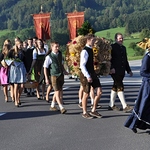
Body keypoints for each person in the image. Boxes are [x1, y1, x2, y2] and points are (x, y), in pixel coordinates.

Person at [124, 50, 150, 133]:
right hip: (147, 85)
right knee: (143, 105)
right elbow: (143, 72)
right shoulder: (147, 57)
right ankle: (133, 124)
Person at [108, 33, 133, 113]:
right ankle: (124, 105)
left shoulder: (124, 48)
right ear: (116, 39)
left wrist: (129, 70)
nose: (121, 40)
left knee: (115, 86)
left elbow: (125, 60)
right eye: (119, 38)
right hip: (114, 71)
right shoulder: (112, 47)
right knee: (120, 86)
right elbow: (109, 59)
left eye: (122, 38)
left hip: (121, 70)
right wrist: (111, 68)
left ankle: (111, 105)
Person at [80, 34, 102, 119]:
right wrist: (87, 76)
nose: (94, 42)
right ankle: (84, 112)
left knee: (99, 91)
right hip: (86, 74)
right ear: (88, 40)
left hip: (92, 73)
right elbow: (82, 65)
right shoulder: (85, 51)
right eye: (93, 40)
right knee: (86, 94)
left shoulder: (90, 49)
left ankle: (93, 110)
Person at [43, 41, 68, 114]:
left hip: (60, 75)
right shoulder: (49, 57)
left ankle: (52, 105)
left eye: (58, 46)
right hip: (54, 75)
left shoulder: (60, 55)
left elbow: (62, 64)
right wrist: (47, 78)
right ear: (52, 47)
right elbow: (45, 67)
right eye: (56, 47)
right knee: (57, 91)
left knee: (59, 90)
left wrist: (64, 71)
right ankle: (61, 107)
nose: (57, 48)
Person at [8, 40, 26, 107]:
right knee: (15, 85)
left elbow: (25, 60)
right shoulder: (12, 51)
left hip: (21, 67)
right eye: (20, 45)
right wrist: (12, 62)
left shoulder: (23, 52)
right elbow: (7, 59)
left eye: (22, 45)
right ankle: (16, 100)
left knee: (22, 85)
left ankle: (18, 96)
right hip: (14, 68)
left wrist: (27, 70)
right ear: (17, 45)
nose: (21, 46)